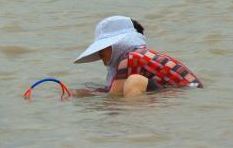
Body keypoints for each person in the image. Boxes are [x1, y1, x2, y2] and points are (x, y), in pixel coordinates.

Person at [74, 16, 202, 98]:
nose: (100, 52)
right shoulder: (137, 55)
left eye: (103, 47)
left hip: (184, 94)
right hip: (182, 94)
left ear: (117, 46)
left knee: (134, 81)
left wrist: (90, 95)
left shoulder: (130, 58)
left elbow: (113, 97)